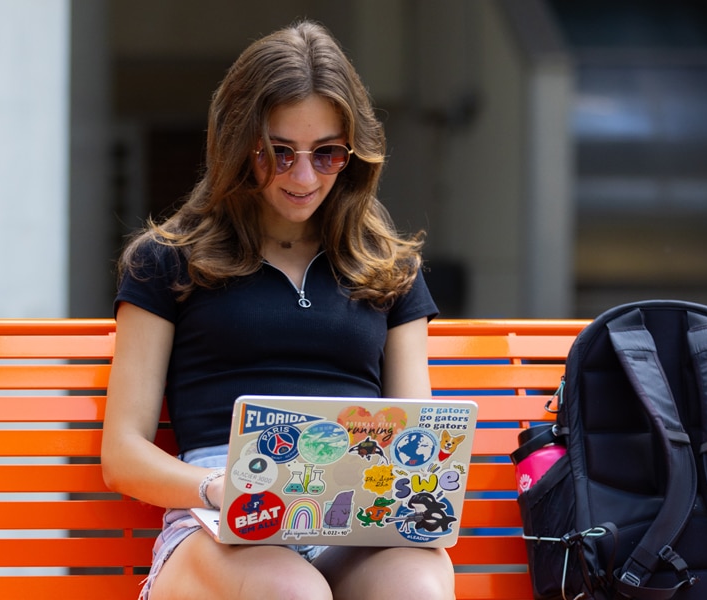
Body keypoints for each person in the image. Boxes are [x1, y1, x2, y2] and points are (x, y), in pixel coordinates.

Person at [101, 19, 454, 600]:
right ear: (239, 144)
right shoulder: (167, 260)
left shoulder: (386, 267)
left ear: (353, 154)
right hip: (219, 521)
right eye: (279, 152)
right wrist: (226, 488)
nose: (304, 175)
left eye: (328, 153)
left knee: (417, 586)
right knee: (291, 593)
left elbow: (414, 431)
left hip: (351, 512)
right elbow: (123, 454)